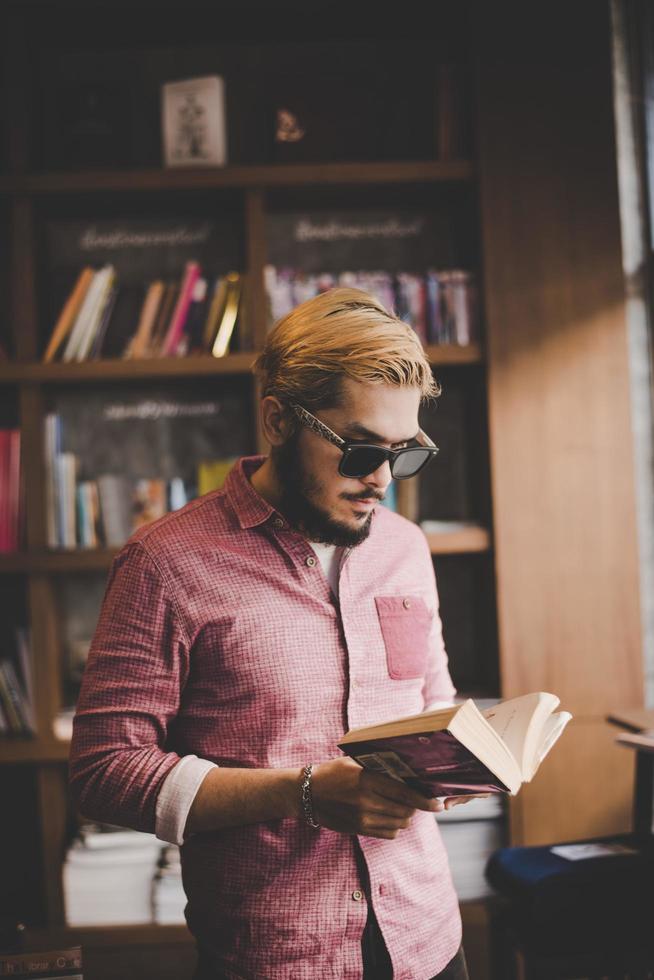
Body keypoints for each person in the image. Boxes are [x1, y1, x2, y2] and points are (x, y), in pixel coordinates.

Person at [69, 287, 481, 980]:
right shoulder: (166, 563)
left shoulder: (405, 548)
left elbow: (431, 704)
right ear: (278, 420)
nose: (382, 479)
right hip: (278, 958)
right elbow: (104, 769)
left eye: (404, 454)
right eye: (358, 451)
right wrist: (305, 793)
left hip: (429, 937)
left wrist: (464, 766)